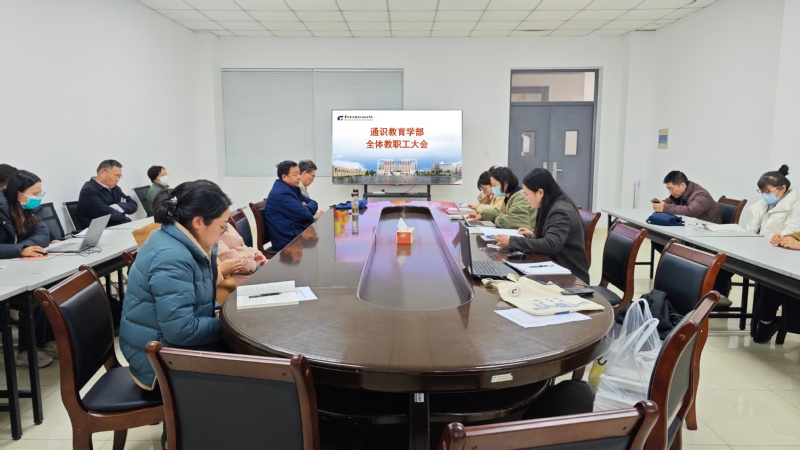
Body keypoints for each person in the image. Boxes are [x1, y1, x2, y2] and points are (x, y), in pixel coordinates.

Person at [120, 180, 232, 394]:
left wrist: (220, 316)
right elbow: (182, 330)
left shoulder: (176, 239)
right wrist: (229, 326)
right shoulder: (172, 256)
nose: (223, 233)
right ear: (198, 221)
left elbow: (197, 304)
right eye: (222, 226)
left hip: (168, 349)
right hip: (160, 365)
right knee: (263, 372)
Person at [0, 170, 56, 367]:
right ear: (18, 193)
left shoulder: (27, 209)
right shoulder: (2, 210)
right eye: (34, 194)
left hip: (17, 266)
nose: (37, 198)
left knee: (53, 287)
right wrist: (20, 249)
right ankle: (26, 350)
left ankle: (44, 341)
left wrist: (25, 247)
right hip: (5, 273)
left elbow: (44, 234)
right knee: (35, 296)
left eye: (40, 193)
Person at [496, 168, 590, 284]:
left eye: (527, 194)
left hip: (571, 279)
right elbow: (555, 240)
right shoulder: (551, 205)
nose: (525, 198)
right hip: (555, 268)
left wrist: (512, 241)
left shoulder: (561, 211)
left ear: (540, 192)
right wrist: (533, 236)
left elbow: (551, 245)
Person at [745, 165, 800, 343]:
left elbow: (794, 231)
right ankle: (765, 321)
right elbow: (792, 234)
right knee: (769, 278)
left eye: (767, 191)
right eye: (762, 191)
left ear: (782, 189)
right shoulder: (766, 203)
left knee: (775, 280)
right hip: (772, 252)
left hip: (788, 261)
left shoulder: (796, 205)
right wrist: (783, 238)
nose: (764, 195)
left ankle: (767, 322)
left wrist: (794, 241)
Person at [264, 160, 323, 252]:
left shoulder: (292, 188)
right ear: (284, 177)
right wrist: (306, 209)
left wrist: (305, 208)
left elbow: (314, 203)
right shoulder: (282, 193)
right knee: (323, 240)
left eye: (299, 173)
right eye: (295, 174)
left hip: (294, 232)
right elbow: (306, 215)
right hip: (287, 240)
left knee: (323, 234)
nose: (299, 177)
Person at [464, 166, 537, 230]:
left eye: (494, 185)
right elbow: (498, 212)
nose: (493, 188)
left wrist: (496, 219)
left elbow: (511, 221)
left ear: (505, 183)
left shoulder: (521, 196)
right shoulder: (508, 196)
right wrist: (482, 216)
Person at [77, 159, 138, 229]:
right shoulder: (89, 190)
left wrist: (116, 206)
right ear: (102, 173)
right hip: (102, 231)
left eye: (119, 176)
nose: (118, 179)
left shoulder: (115, 188)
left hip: (120, 226)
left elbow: (133, 205)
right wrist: (122, 209)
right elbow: (107, 215)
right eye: (116, 175)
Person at [652, 170, 721, 223]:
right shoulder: (680, 193)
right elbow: (667, 202)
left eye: (671, 189)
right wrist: (659, 204)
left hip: (709, 231)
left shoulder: (702, 195)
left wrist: (664, 207)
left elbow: (691, 211)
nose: (670, 192)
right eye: (668, 189)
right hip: (692, 228)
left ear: (682, 185)